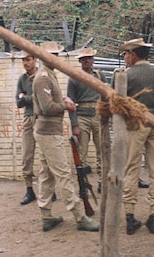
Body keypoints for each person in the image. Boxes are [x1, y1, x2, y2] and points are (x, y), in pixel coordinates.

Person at [32, 41, 99, 233]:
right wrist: (66, 105)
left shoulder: (48, 75)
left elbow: (50, 102)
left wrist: (62, 101)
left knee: (46, 175)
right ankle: (79, 216)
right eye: (52, 55)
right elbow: (47, 108)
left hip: (48, 131)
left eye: (56, 54)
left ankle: (46, 216)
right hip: (48, 132)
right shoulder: (43, 77)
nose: (55, 58)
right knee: (63, 174)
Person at [118, 38, 154, 235]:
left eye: (127, 54)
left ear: (134, 54)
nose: (125, 58)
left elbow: (119, 102)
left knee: (131, 168)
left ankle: (129, 215)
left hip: (135, 124)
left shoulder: (126, 75)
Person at [66, 48, 104, 190]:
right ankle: (83, 183)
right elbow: (70, 103)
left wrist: (108, 117)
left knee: (102, 150)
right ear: (80, 61)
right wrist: (74, 124)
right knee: (82, 152)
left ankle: (102, 181)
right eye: (84, 58)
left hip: (99, 115)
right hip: (82, 116)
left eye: (90, 58)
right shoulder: (74, 78)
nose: (87, 60)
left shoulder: (100, 75)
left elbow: (106, 96)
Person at [15, 50, 39, 205]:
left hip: (42, 117)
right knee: (27, 155)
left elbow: (42, 98)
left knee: (46, 156)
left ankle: (50, 190)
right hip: (28, 118)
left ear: (35, 60)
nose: (26, 63)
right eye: (23, 60)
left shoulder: (42, 77)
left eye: (28, 59)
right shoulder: (22, 79)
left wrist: (26, 97)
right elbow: (18, 102)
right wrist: (25, 99)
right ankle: (29, 190)